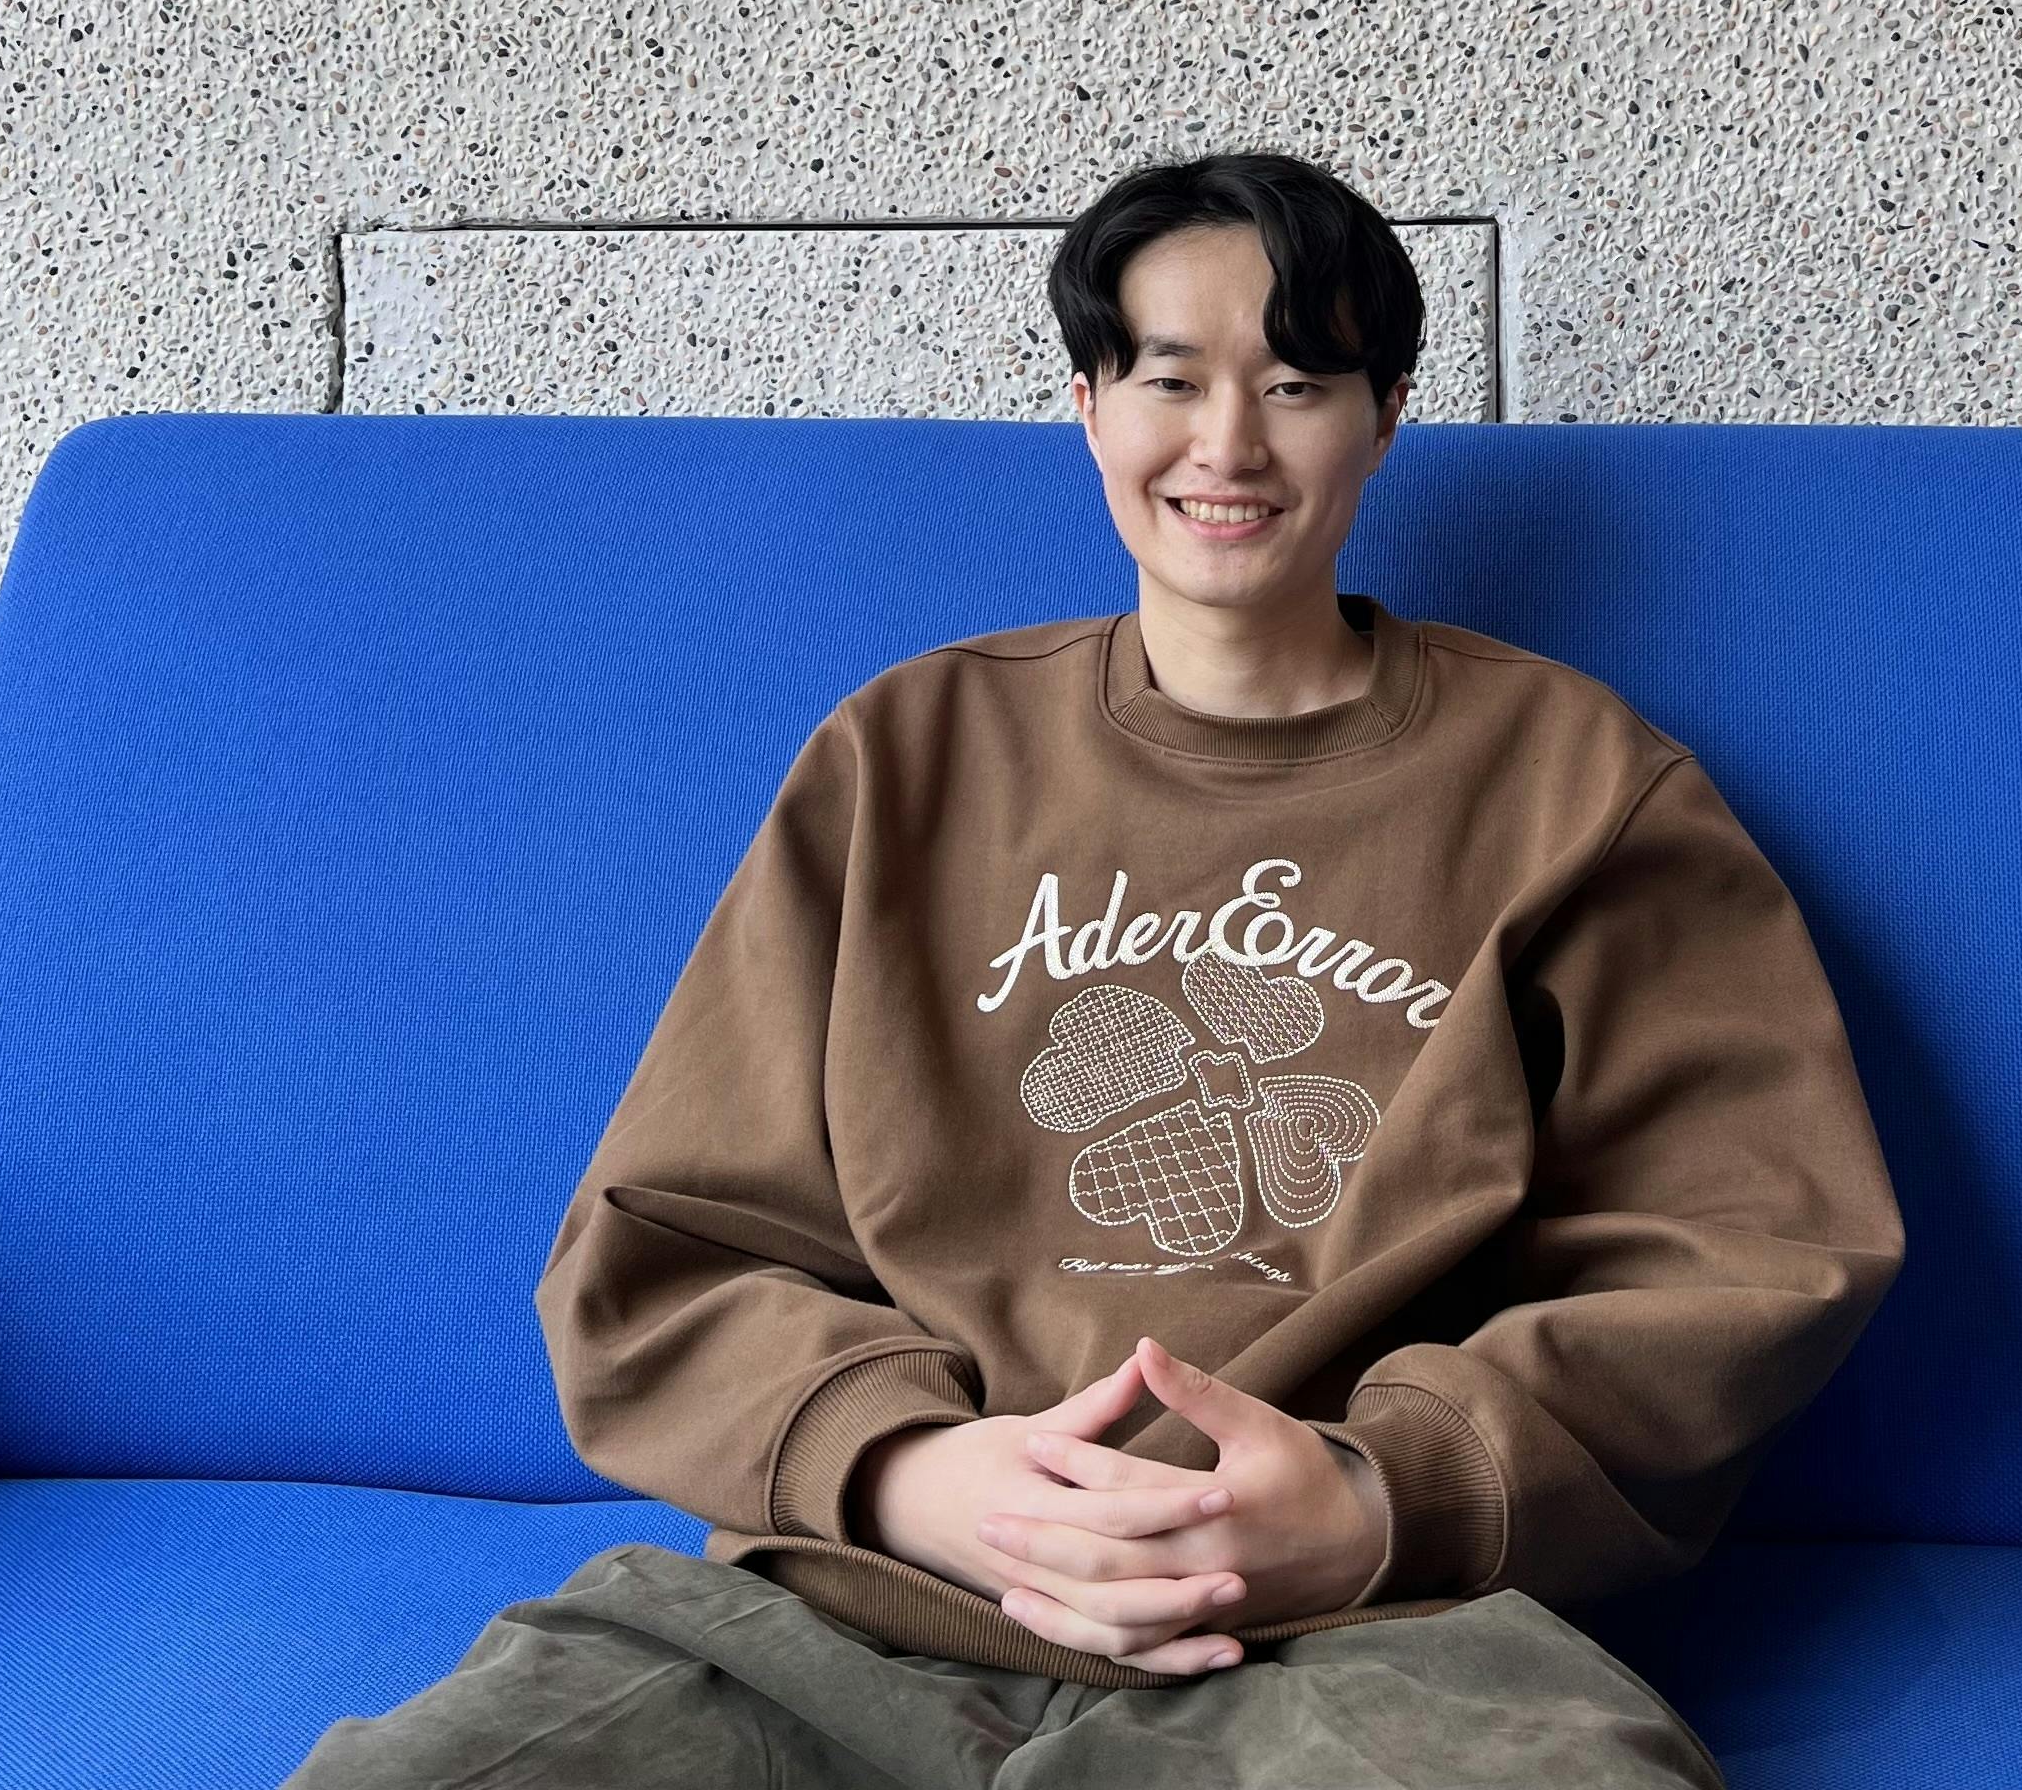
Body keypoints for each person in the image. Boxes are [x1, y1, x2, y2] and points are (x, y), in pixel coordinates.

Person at [283, 151, 1906, 1787]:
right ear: (1088, 406)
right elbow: (665, 1244)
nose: (1229, 444)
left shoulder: (1580, 788)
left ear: (1386, 417)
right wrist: (910, 1471)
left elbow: (1750, 1249)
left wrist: (1377, 1498)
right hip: (853, 1612)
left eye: (1298, 384)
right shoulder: (909, 755)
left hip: (1370, 1637)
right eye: (1171, 379)